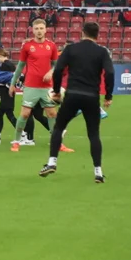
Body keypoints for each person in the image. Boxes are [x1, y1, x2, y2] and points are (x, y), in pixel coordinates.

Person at [40, 21, 113, 182]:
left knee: (59, 127)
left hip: (72, 94)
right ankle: (98, 172)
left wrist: (57, 91)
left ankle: (52, 162)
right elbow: (109, 73)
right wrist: (108, 96)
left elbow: (58, 69)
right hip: (91, 97)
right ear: (97, 34)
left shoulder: (71, 49)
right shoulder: (102, 52)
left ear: (83, 33)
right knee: (93, 134)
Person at [9, 18, 59, 152]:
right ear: (32, 30)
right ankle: (16, 142)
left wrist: (51, 72)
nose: (39, 31)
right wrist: (12, 84)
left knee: (52, 114)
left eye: (41, 28)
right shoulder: (27, 46)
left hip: (47, 87)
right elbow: (20, 67)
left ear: (46, 29)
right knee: (25, 114)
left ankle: (57, 143)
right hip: (31, 86)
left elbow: (56, 65)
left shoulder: (52, 46)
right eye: (36, 28)